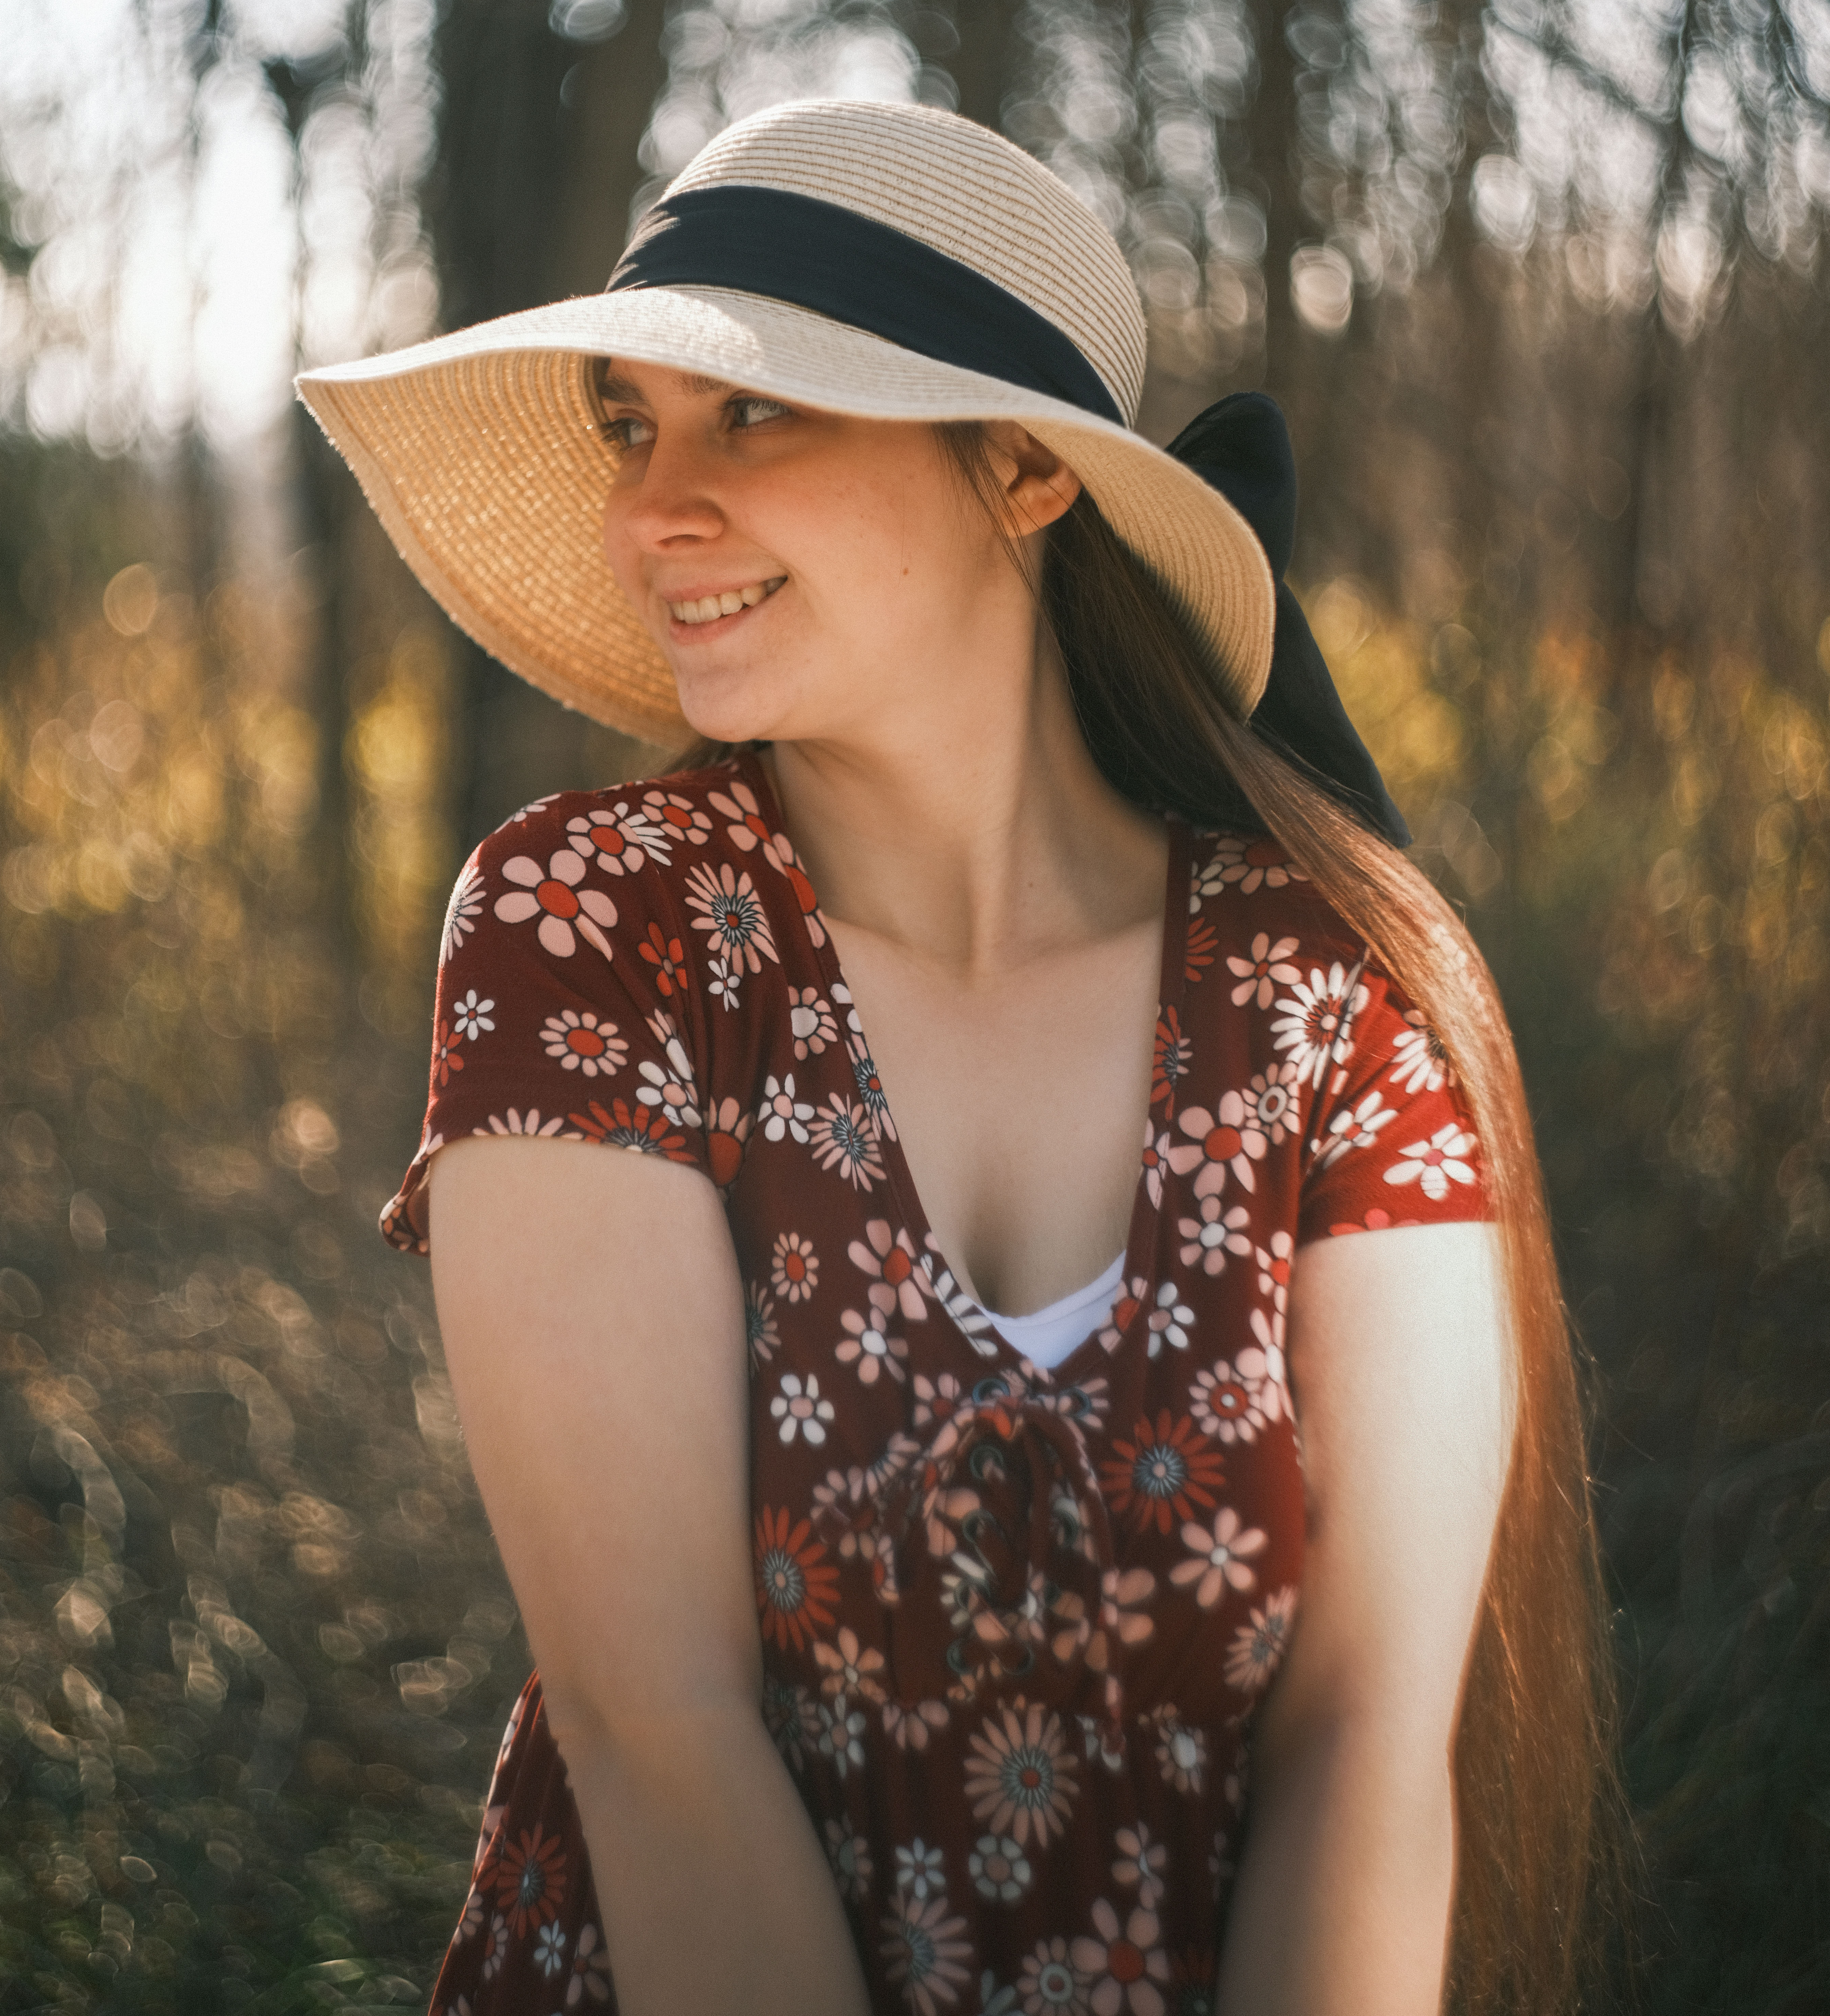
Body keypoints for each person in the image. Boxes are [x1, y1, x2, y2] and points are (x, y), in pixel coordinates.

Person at [297, 98, 1617, 2016]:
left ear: (1021, 470)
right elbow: (654, 1724)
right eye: (629, 426)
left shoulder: (1330, 988)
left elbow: (1364, 1750)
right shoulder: (598, 930)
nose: (653, 501)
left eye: (756, 412)